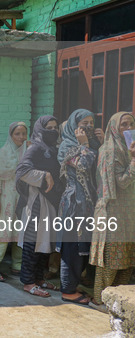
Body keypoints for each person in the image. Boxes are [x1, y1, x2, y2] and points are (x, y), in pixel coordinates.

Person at [57, 109, 104, 304]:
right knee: (72, 247)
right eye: (84, 122)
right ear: (73, 125)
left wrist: (99, 144)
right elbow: (83, 166)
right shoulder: (66, 146)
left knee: (82, 247)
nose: (88, 126)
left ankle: (73, 285)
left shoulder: (92, 144)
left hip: (88, 204)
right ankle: (67, 290)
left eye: (91, 122)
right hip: (73, 203)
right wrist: (85, 144)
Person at [90, 112, 135, 311]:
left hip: (128, 211)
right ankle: (99, 300)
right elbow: (122, 182)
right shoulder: (110, 150)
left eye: (131, 124)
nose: (128, 128)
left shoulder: (128, 148)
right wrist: (134, 161)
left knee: (127, 259)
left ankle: (117, 303)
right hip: (111, 210)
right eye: (123, 124)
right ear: (114, 127)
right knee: (110, 259)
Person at [16, 115, 64, 297]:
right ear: (40, 129)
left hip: (51, 200)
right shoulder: (36, 147)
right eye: (48, 128)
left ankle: (39, 278)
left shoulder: (52, 148)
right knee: (33, 240)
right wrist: (44, 175)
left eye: (55, 127)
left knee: (45, 241)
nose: (52, 131)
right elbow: (22, 170)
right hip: (38, 200)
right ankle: (28, 282)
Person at [0, 121, 28, 281]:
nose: (21, 137)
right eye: (17, 134)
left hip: (23, 197)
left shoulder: (28, 151)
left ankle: (18, 265)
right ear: (11, 135)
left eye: (24, 133)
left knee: (20, 232)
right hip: (5, 197)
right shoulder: (4, 152)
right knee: (2, 231)